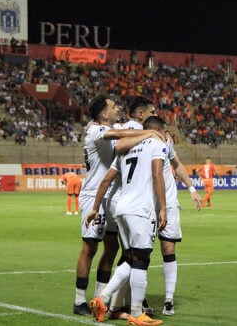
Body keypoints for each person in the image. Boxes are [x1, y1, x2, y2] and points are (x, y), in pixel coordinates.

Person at [111, 103, 202, 318]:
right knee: (141, 255)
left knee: (168, 250)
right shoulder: (135, 138)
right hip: (145, 205)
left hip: (167, 202)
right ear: (141, 116)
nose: (155, 115)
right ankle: (136, 303)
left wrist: (191, 189)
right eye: (152, 112)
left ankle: (168, 300)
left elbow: (176, 164)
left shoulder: (164, 139)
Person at [72, 95, 154, 316]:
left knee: (112, 248)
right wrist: (150, 133)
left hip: (113, 196)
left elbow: (123, 129)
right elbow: (119, 134)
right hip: (93, 194)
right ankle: (79, 300)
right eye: (113, 106)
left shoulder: (107, 126)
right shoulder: (95, 131)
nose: (117, 108)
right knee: (89, 247)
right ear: (104, 114)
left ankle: (100, 299)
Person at [87, 115, 167, 325]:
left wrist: (95, 207)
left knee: (130, 258)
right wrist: (164, 208)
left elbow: (107, 178)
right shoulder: (157, 143)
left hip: (122, 208)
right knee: (141, 260)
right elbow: (158, 175)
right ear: (160, 130)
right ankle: (136, 313)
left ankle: (101, 299)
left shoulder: (128, 147)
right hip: (141, 209)